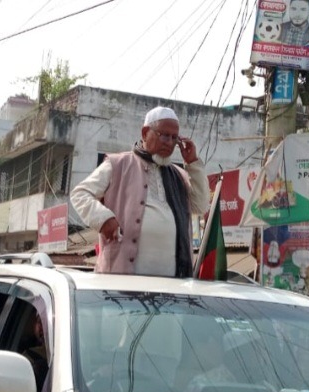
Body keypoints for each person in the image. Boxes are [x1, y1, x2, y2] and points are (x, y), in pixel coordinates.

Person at [71, 106, 210, 278]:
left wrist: (193, 163)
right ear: (145, 133)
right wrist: (103, 218)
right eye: (164, 135)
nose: (169, 142)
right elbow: (80, 194)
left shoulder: (179, 176)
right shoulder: (118, 164)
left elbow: (200, 205)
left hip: (173, 287)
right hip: (123, 284)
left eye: (175, 138)